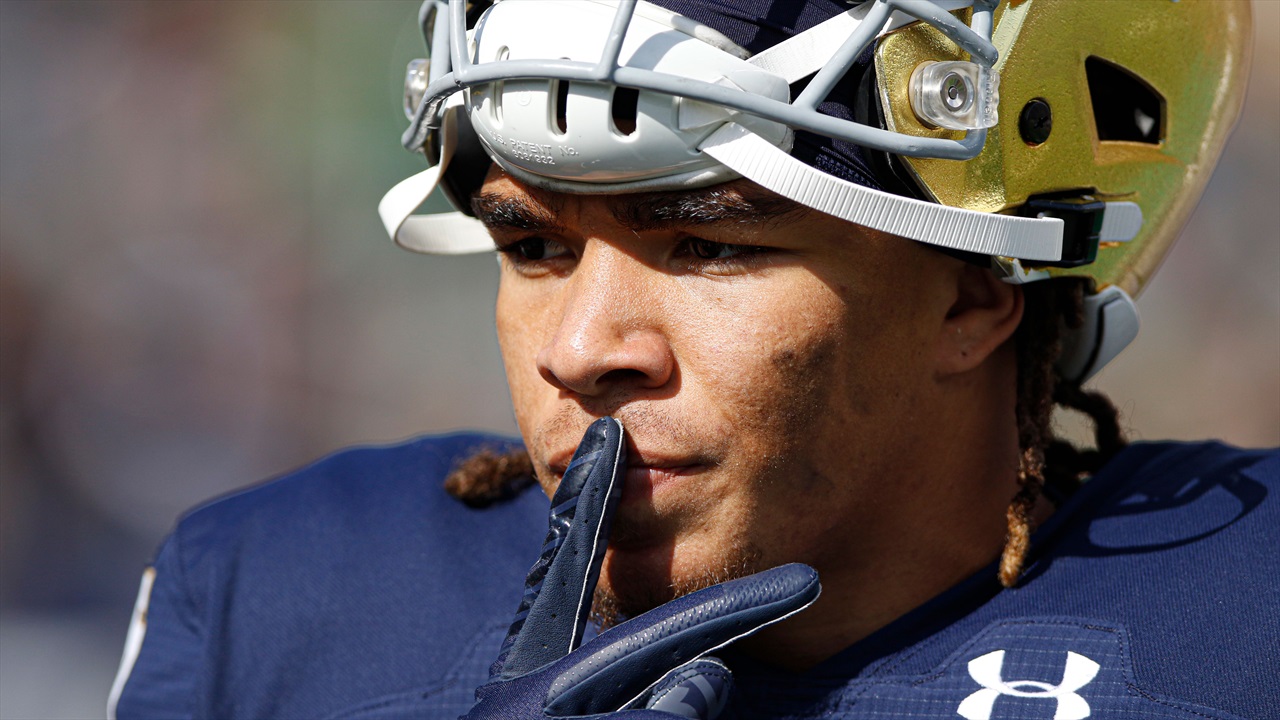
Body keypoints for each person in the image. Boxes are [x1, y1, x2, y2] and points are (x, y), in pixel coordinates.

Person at [110, 1, 1278, 718]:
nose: (582, 351)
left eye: (709, 245)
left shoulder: (1243, 614)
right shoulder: (285, 592)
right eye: (531, 245)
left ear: (975, 292)